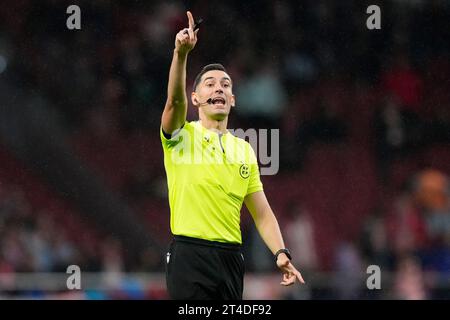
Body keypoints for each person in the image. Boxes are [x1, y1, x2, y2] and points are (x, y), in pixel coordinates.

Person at [160, 11, 304, 300]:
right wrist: (181, 53)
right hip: (190, 254)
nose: (219, 88)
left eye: (225, 85)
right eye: (210, 83)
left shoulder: (244, 149)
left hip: (231, 258)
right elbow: (174, 99)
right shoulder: (180, 135)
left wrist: (280, 251)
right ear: (196, 98)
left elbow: (261, 211)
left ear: (233, 99)